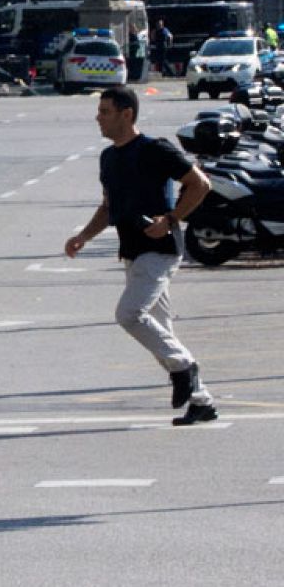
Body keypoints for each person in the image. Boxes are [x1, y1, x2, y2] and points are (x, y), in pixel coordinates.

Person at [63, 85, 217, 426]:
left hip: (159, 250)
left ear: (126, 114)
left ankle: (185, 368)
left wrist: (172, 219)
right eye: (99, 111)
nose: (98, 118)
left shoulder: (154, 149)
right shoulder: (109, 157)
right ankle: (201, 400)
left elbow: (200, 184)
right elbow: (108, 207)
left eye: (105, 112)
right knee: (160, 329)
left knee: (129, 314)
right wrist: (83, 237)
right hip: (133, 252)